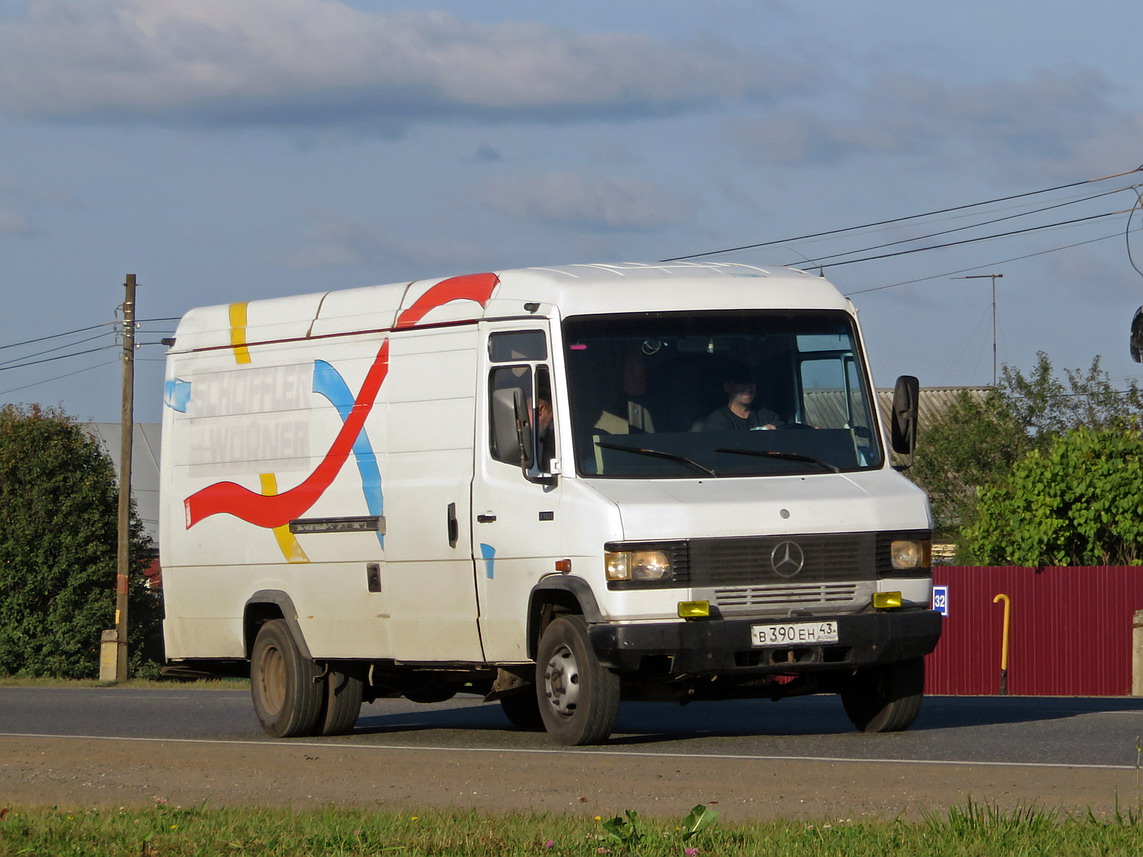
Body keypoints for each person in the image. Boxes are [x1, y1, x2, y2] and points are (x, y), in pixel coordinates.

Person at [703, 369, 782, 431]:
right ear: (727, 387)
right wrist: (760, 433)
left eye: (751, 382)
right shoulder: (718, 419)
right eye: (741, 382)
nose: (748, 388)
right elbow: (724, 447)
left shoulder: (767, 416)